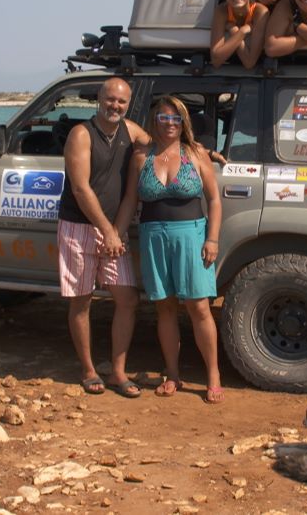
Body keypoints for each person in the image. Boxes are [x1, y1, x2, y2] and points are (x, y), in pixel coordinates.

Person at [116, 95, 224, 404]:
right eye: (163, 119)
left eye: (176, 119)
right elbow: (128, 202)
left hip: (191, 235)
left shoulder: (196, 153)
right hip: (153, 236)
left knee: (199, 307)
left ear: (184, 122)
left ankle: (213, 375)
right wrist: (115, 234)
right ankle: (172, 373)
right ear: (155, 122)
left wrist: (212, 239)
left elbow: (214, 201)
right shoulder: (141, 157)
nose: (170, 124)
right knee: (164, 308)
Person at [58, 77, 150, 398]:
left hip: (114, 230)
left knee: (127, 299)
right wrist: (108, 230)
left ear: (129, 104)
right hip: (79, 226)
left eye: (122, 102)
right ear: (99, 99)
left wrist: (199, 150)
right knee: (81, 301)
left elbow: (163, 144)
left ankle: (118, 372)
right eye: (111, 99)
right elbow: (80, 189)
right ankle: (88, 370)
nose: (116, 106)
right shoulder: (81, 135)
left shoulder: (131, 130)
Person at [210, 0, 269, 70]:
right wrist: (240, 31)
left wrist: (234, 30)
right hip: (228, 67)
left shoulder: (260, 11)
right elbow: (216, 60)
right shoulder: (221, 11)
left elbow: (250, 62)